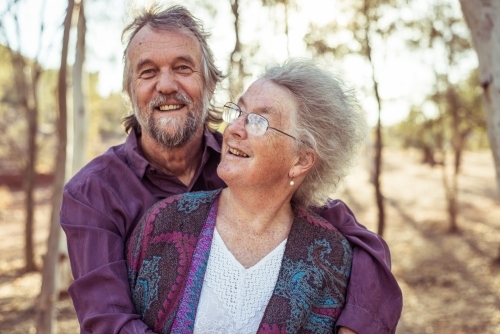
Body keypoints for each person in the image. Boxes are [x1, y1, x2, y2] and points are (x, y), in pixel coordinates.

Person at [60, 4, 402, 334]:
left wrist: (358, 325)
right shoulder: (92, 192)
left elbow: (362, 244)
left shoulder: (244, 161)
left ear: (210, 84)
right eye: (147, 72)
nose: (165, 85)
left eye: (183, 68)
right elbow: (106, 320)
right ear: (130, 90)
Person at [127, 58, 363, 333]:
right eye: (238, 112)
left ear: (301, 160)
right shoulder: (164, 223)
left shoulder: (331, 257)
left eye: (258, 121)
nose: (234, 129)